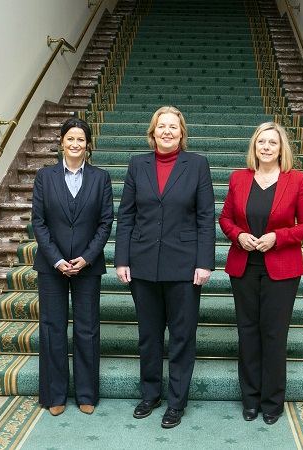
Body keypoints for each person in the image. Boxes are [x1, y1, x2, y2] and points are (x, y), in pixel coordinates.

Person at [114, 106, 215, 429]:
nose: (167, 131)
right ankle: (150, 394)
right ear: (153, 132)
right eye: (162, 126)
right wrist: (121, 258)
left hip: (184, 265)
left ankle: (176, 402)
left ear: (182, 133)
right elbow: (126, 215)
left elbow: (205, 218)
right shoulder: (137, 164)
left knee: (182, 337)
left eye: (173, 127)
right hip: (142, 264)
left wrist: (204, 262)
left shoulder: (197, 164)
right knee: (148, 335)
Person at [218, 122, 303, 425]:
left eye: (272, 142)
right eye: (261, 142)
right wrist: (237, 236)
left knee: (273, 335)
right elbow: (225, 218)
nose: (266, 147)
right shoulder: (238, 179)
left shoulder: (296, 180)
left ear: (281, 148)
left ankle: (272, 401)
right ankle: (250, 399)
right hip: (244, 267)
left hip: (282, 268)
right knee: (248, 333)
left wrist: (279, 237)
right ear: (254, 147)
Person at [31, 117, 114, 417]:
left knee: (87, 330)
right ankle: (54, 394)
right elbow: (38, 223)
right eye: (70, 138)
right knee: (53, 329)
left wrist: (87, 257)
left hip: (87, 266)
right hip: (51, 266)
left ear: (88, 145)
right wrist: (56, 259)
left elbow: (106, 222)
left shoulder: (101, 178)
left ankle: (86, 393)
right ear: (61, 142)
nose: (76, 144)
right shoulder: (45, 177)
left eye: (81, 139)